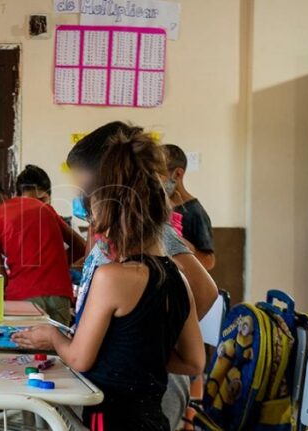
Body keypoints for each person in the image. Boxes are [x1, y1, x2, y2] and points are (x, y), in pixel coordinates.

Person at [13, 130, 205, 431]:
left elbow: (79, 359)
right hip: (153, 421)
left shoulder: (112, 277)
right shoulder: (179, 278)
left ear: (106, 210)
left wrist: (52, 336)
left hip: (110, 419)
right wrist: (133, 351)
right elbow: (195, 363)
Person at [66, 121, 218, 430]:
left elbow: (204, 292)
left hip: (139, 392)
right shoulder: (118, 237)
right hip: (133, 392)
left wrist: (143, 343)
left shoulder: (153, 235)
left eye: (84, 186)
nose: (81, 198)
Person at [0, 182, 85, 326]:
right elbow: (80, 247)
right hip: (60, 294)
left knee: (26, 346)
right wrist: (53, 266)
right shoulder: (42, 207)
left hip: (23, 299)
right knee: (56, 345)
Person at [163, 144, 216, 270]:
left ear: (178, 174)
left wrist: (184, 247)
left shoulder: (195, 212)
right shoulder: (159, 209)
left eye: (160, 175)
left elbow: (209, 262)